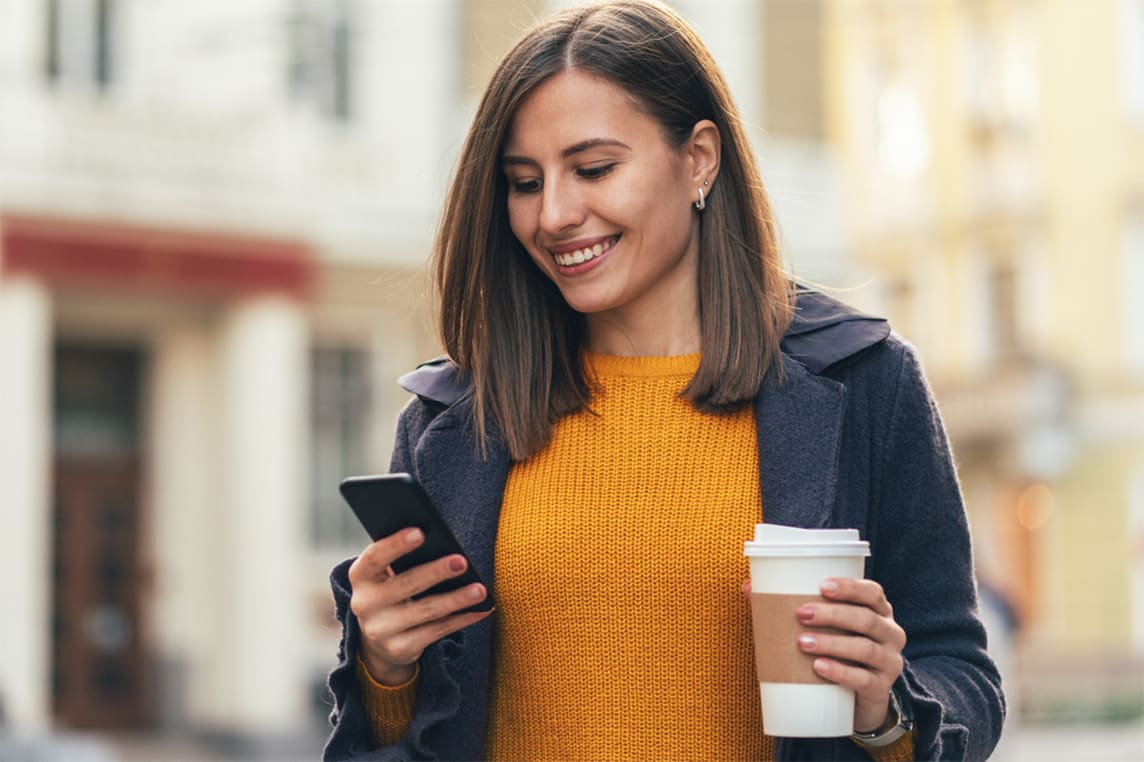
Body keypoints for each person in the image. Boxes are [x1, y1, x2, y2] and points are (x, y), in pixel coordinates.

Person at [323, 1, 1004, 759]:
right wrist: (384, 667)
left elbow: (962, 675)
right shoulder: (456, 418)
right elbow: (403, 738)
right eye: (522, 182)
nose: (553, 214)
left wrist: (885, 707)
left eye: (594, 169)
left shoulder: (866, 383)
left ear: (699, 159)